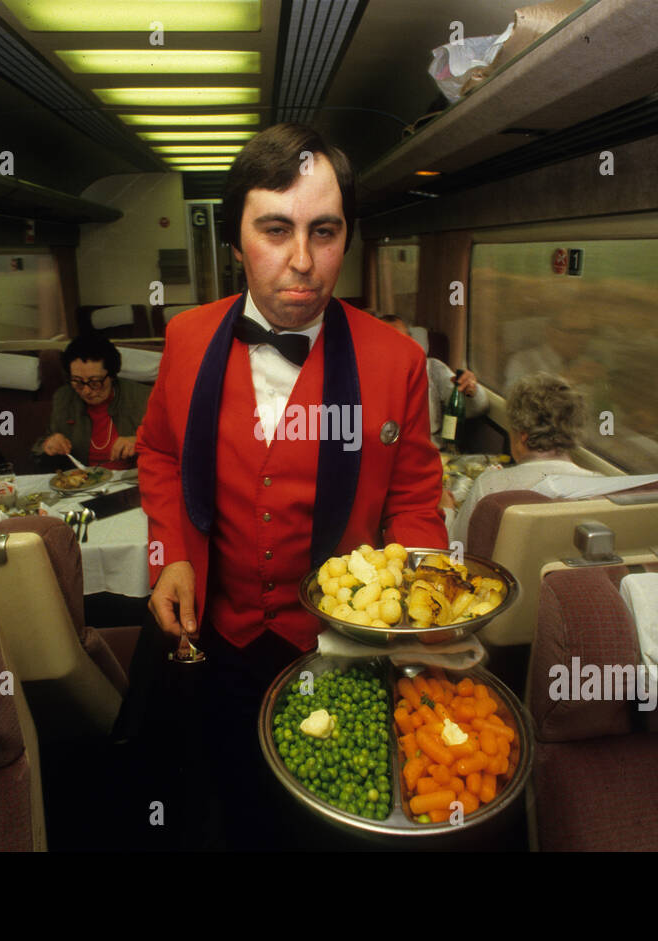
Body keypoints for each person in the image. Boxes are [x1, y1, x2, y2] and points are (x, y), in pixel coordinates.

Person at [135, 123, 446, 848]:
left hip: (343, 646)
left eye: (325, 232)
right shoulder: (185, 340)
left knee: (336, 805)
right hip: (222, 635)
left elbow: (414, 502)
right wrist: (170, 554)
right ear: (236, 239)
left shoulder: (397, 362)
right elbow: (157, 454)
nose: (302, 262)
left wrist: (424, 620)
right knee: (235, 800)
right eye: (275, 230)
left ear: (348, 238)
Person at [448, 373, 601, 549]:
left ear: (522, 437)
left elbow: (455, 549)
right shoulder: (598, 484)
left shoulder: (490, 485)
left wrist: (448, 511)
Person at [34, 332, 151, 471]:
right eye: (77, 382)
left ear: (112, 375)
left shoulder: (143, 397)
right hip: (83, 484)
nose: (86, 391)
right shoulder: (64, 398)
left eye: (95, 382)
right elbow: (40, 447)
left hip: (133, 480)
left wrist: (140, 441)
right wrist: (49, 444)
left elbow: (171, 442)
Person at [379, 313, 488, 441]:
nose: (403, 347)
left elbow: (477, 408)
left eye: (406, 340)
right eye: (392, 341)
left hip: (432, 450)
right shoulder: (363, 378)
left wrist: (471, 391)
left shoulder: (432, 368)